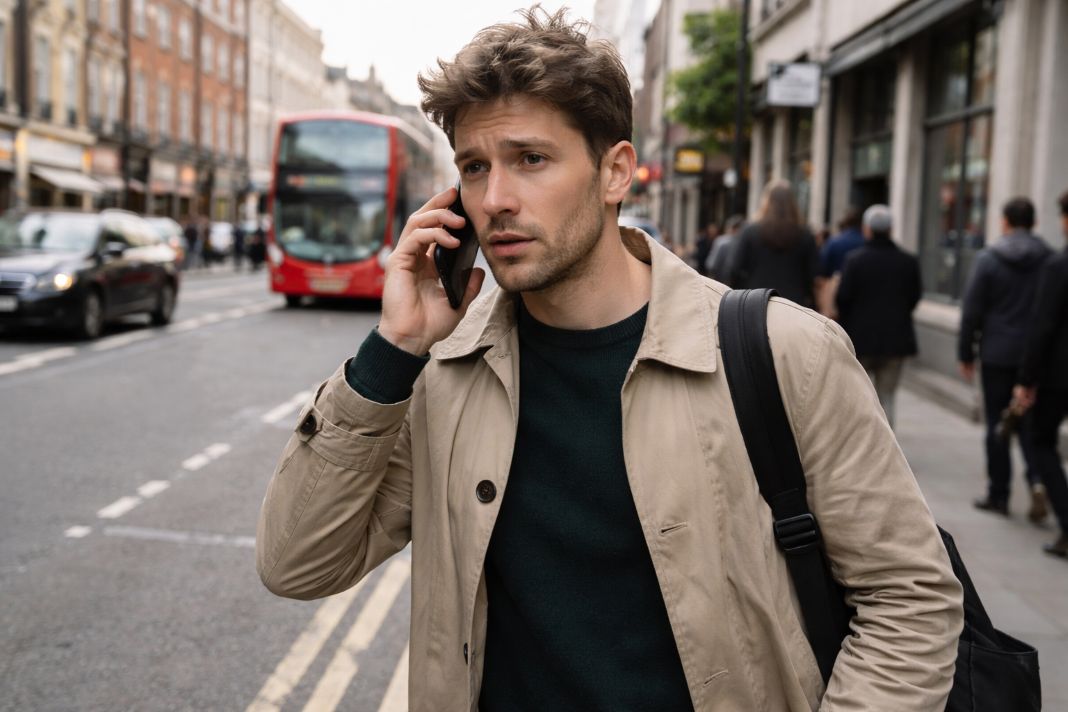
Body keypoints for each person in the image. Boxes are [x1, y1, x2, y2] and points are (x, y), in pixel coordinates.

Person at [256, 8, 962, 711]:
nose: (495, 200)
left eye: (531, 159)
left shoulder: (787, 353)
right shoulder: (443, 376)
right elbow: (297, 562)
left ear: (615, 172)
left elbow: (909, 601)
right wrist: (392, 352)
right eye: (474, 167)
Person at [959, 197, 1052, 519]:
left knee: (998, 422)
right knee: (1031, 423)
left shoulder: (989, 259)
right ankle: (1038, 480)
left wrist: (966, 352)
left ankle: (999, 494)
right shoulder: (1049, 260)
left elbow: (972, 309)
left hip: (997, 352)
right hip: (1036, 356)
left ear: (1005, 222)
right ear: (1034, 223)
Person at [1014, 190, 1068, 557]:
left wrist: (1026, 379)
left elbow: (1043, 326)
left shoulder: (1058, 267)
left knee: (1040, 442)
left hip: (1057, 376)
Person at [834, 205, 921, 428]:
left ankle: (860, 441)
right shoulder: (908, 261)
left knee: (858, 396)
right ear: (891, 229)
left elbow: (843, 298)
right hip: (895, 340)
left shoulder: (854, 260)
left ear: (867, 229)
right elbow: (914, 297)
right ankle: (886, 444)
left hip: (860, 339)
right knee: (887, 397)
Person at [727, 180, 820, 308]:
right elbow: (814, 274)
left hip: (756, 301)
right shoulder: (805, 234)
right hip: (794, 304)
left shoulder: (750, 232)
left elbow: (734, 269)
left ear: (766, 202)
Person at [816, 207, 864, 318]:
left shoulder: (834, 243)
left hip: (835, 296)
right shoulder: (865, 243)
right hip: (860, 301)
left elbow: (822, 272)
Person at [704, 213, 745, 284]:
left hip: (721, 281)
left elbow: (711, 264)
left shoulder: (721, 241)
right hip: (738, 283)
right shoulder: (744, 243)